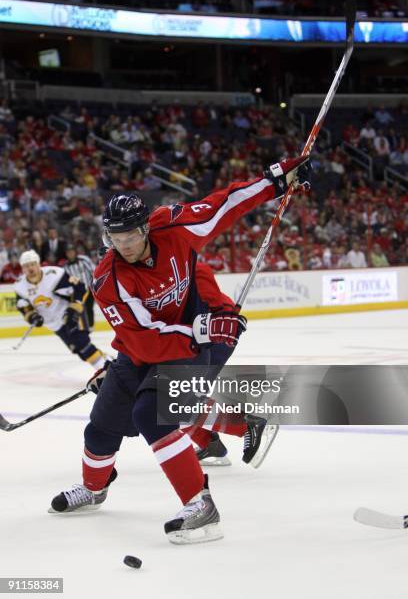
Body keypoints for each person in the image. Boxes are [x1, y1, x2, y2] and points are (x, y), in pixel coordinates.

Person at [48, 156, 310, 544]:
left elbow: (223, 205)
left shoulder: (175, 228)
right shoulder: (109, 279)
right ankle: (94, 488)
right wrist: (203, 329)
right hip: (148, 349)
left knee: (153, 413)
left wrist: (275, 180)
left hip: (187, 349)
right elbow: (144, 339)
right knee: (102, 423)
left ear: (145, 229)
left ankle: (200, 505)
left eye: (130, 238)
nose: (123, 247)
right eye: (114, 240)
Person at [15, 250, 107, 371]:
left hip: (70, 314)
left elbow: (80, 287)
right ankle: (108, 364)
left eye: (32, 264)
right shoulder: (19, 286)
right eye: (26, 266)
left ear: (38, 264)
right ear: (22, 269)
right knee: (78, 350)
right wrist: (32, 317)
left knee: (83, 344)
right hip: (54, 324)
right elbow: (23, 306)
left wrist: (74, 309)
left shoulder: (54, 274)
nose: (30, 268)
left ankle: (107, 372)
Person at [63, 245, 96, 329]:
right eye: (68, 252)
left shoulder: (83, 259)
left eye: (72, 251)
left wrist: (95, 284)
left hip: (89, 289)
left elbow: (94, 271)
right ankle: (83, 327)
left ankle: (90, 326)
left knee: (89, 308)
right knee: (79, 310)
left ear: (75, 252)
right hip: (77, 292)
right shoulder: (66, 266)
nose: (70, 254)